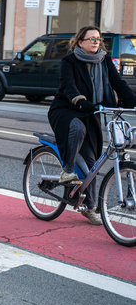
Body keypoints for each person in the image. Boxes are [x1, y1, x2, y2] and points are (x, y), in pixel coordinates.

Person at [48, 25, 136, 225]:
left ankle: (90, 207)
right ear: (80, 42)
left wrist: (132, 101)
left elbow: (118, 83)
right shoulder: (69, 61)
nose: (96, 42)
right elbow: (68, 85)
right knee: (77, 128)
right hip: (66, 109)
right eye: (91, 38)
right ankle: (67, 170)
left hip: (91, 112)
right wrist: (80, 100)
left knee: (92, 163)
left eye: (98, 39)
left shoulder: (104, 60)